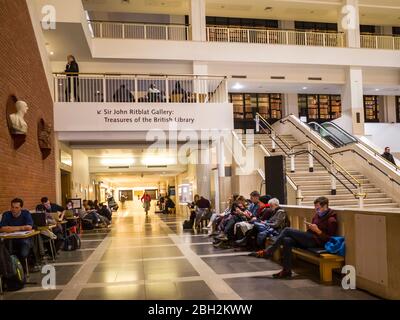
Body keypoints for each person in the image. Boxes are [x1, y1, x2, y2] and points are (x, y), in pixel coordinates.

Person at [249, 196, 337, 279]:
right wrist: (311, 228)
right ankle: (286, 270)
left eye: (318, 208)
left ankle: (268, 252)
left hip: (317, 242)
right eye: (315, 208)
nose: (316, 210)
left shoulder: (331, 220)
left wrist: (318, 231)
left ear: (325, 206)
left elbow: (329, 239)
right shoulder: (317, 216)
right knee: (287, 240)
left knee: (287, 230)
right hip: (310, 238)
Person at [0, 198, 36, 270]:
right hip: (9, 239)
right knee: (4, 249)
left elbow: (29, 227)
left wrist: (10, 228)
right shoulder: (6, 214)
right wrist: (21, 228)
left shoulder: (26, 213)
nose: (14, 209)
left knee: (24, 251)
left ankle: (23, 269)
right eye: (12, 207)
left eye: (16, 207)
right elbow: (2, 229)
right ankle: (11, 270)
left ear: (21, 208)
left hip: (23, 239)